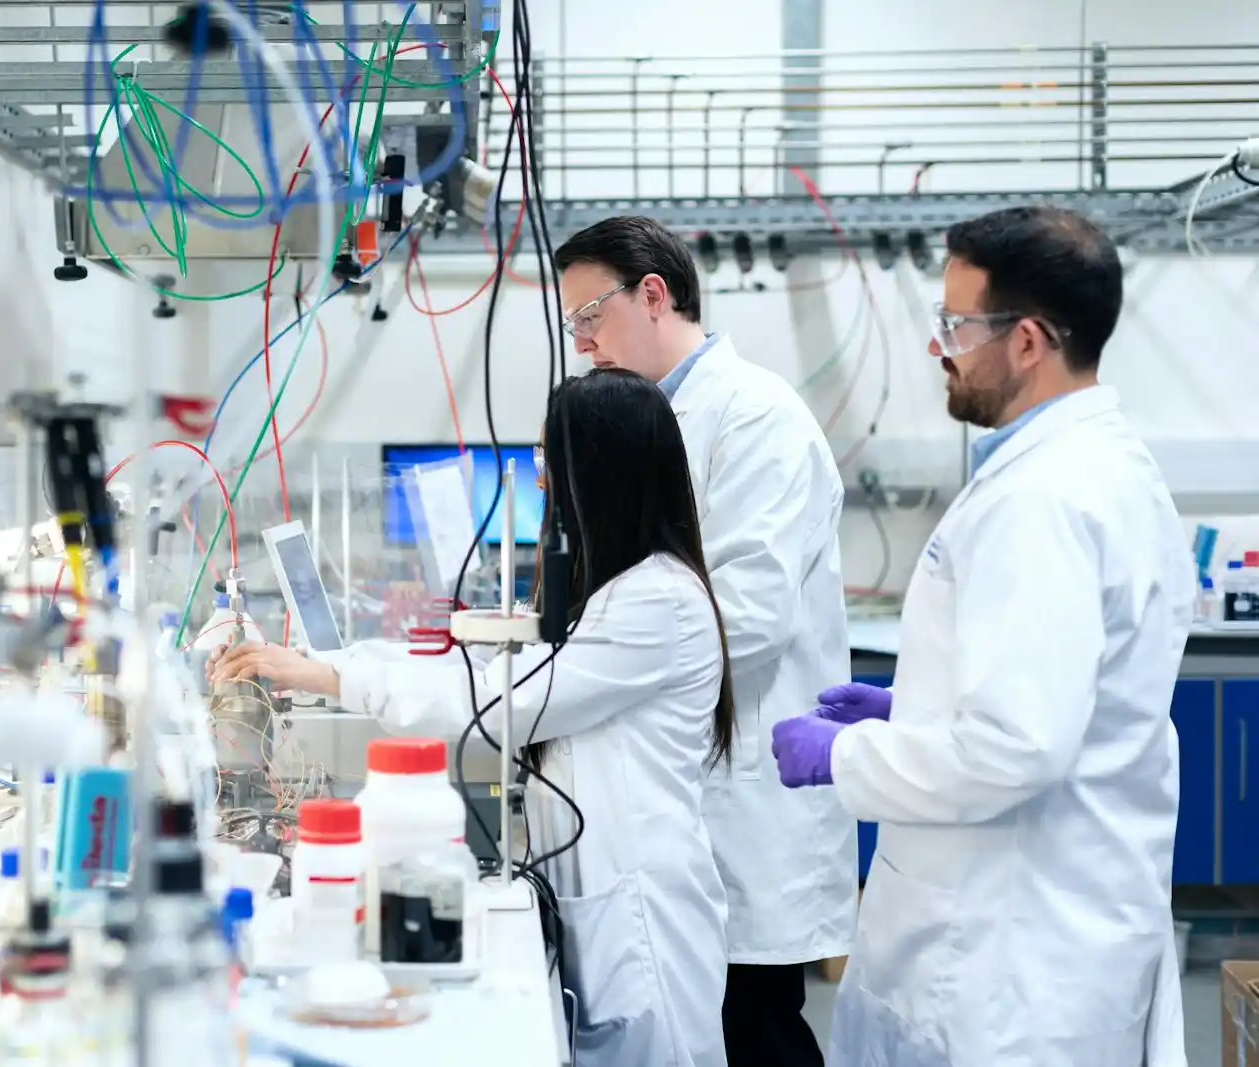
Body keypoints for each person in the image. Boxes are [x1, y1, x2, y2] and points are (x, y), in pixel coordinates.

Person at [212, 370, 734, 1067]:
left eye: (553, 467)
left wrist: (331, 674)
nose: (543, 486)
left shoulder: (655, 603)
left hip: (641, 915)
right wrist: (336, 663)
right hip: (608, 894)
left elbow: (497, 703)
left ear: (602, 476)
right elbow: (497, 680)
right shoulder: (621, 590)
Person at [770, 206, 1193, 1067]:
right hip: (1033, 923)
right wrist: (916, 702)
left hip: (1008, 960)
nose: (940, 348)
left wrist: (845, 757)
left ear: (1029, 340)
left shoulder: (1041, 501)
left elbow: (1014, 748)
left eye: (956, 324)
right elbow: (1066, 689)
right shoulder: (1094, 467)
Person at [553, 214, 854, 1067]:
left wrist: (590, 674)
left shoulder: (757, 417)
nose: (582, 345)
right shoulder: (655, 417)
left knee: (756, 1032)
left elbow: (749, 616)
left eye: (589, 317)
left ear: (653, 294)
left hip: (744, 797)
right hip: (684, 793)